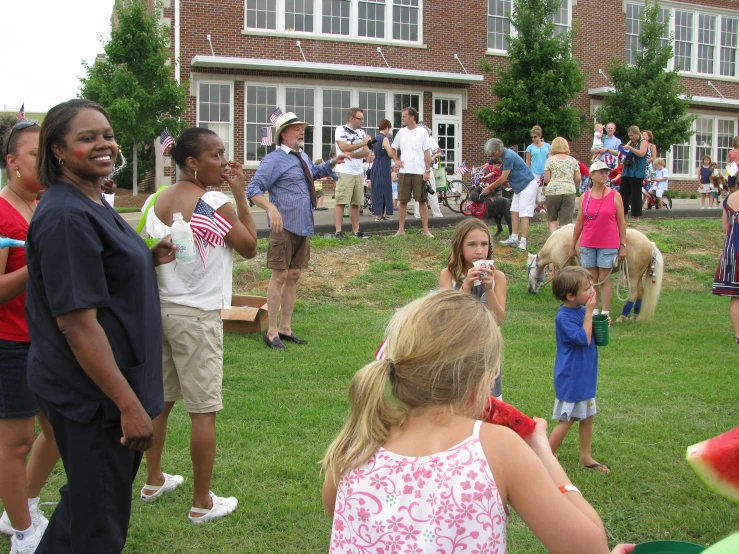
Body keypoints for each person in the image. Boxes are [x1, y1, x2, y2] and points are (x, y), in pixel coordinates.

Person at [321, 291, 612, 554]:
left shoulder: (358, 441)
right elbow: (591, 548)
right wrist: (544, 455)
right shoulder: (498, 448)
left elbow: (339, 514)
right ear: (480, 382)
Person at [25, 99, 175, 553]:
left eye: (106, 135)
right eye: (86, 138)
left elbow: (97, 278)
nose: (103, 144)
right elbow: (76, 324)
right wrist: (127, 405)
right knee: (100, 524)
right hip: (96, 397)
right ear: (57, 151)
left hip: (110, 388)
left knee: (86, 506)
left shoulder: (91, 199)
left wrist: (142, 259)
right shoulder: (67, 215)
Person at [141, 127, 258, 523]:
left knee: (161, 402)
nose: (225, 161)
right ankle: (201, 501)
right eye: (216, 154)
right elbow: (249, 247)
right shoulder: (212, 201)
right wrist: (240, 195)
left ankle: (153, 478)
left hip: (161, 311)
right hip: (197, 317)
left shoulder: (159, 199)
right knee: (203, 411)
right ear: (192, 162)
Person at [0, 121, 59, 554]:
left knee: (58, 431)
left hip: (46, 339)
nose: (46, 161)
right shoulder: (3, 212)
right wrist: (36, 261)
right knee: (16, 441)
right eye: (35, 154)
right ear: (12, 162)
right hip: (11, 342)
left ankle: (22, 506)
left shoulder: (42, 204)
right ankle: (23, 534)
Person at [247, 112, 350, 350]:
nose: (301, 131)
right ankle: (271, 332)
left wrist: (332, 163)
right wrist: (271, 208)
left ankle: (285, 328)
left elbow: (311, 174)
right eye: (296, 128)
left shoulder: (301, 155)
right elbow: (253, 188)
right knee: (280, 276)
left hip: (303, 223)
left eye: (302, 128)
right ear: (283, 134)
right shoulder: (273, 160)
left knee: (294, 276)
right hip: (283, 226)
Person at [548, 267, 609, 473]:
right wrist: (591, 312)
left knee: (588, 417)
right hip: (572, 377)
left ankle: (586, 457)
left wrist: (600, 323)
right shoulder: (564, 317)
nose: (592, 290)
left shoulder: (581, 310)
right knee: (569, 418)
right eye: (587, 288)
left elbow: (594, 338)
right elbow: (583, 339)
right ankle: (545, 456)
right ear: (571, 296)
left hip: (585, 375)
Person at [438, 219, 507, 397]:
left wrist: (489, 289)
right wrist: (466, 286)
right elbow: (447, 315)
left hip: (486, 351)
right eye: (472, 244)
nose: (479, 250)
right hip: (458, 350)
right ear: (459, 247)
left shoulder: (498, 277)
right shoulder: (448, 275)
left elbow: (498, 319)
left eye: (484, 244)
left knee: (489, 405)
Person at [569, 161, 628, 324]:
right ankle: (593, 311)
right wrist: (572, 245)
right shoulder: (584, 197)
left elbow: (621, 222)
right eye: (600, 172)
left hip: (608, 244)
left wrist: (623, 245)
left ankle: (605, 313)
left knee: (604, 279)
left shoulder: (615, 195)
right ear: (592, 175)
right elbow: (579, 223)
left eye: (606, 172)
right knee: (590, 279)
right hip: (588, 243)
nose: (604, 175)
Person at [483, 137, 538, 252]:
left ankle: (523, 242)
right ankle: (514, 238)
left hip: (527, 185)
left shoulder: (508, 157)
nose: (492, 156)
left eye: (492, 153)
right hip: (519, 187)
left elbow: (503, 178)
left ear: (499, 150)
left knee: (524, 214)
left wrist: (488, 188)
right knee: (514, 211)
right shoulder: (503, 155)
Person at [391, 107, 434, 238]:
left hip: (419, 172)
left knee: (422, 200)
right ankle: (401, 230)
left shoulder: (422, 132)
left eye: (404, 116)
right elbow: (393, 148)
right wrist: (396, 160)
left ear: (412, 117)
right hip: (404, 172)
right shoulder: (401, 132)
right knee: (403, 201)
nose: (402, 117)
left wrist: (427, 170)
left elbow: (427, 153)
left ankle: (426, 230)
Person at [333, 108, 371, 239]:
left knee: (356, 203)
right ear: (351, 119)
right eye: (360, 118)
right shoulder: (340, 129)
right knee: (341, 201)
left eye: (362, 118)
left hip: (358, 171)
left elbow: (366, 152)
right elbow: (343, 147)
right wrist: (362, 143)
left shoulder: (362, 132)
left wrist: (353, 154)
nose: (362, 121)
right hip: (344, 170)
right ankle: (338, 231)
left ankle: (356, 230)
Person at [712, 188, 739, 343]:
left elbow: (725, 226)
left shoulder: (729, 198)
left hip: (731, 247)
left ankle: (738, 335)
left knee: (736, 295)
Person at [544, 137, 581, 233]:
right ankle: (564, 241)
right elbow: (578, 178)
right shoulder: (573, 160)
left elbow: (547, 179)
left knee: (552, 218)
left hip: (553, 191)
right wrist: (570, 183)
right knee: (566, 221)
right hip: (569, 190)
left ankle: (553, 239)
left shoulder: (550, 160)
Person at [619, 125, 648, 221]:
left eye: (632, 135)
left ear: (637, 134)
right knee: (623, 193)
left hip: (637, 171)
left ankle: (636, 216)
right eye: (629, 136)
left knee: (635, 194)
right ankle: (624, 214)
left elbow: (641, 153)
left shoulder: (643, 142)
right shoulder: (630, 142)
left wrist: (630, 149)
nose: (630, 137)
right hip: (627, 170)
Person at [370, 119, 394, 220]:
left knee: (377, 189)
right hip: (383, 165)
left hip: (376, 165)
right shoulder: (384, 139)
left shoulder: (375, 139)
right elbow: (390, 153)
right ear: (387, 128)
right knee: (384, 189)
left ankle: (379, 213)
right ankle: (379, 215)